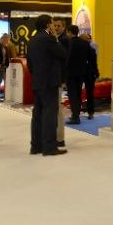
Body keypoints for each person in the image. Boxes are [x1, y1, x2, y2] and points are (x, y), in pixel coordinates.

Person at [27, 14, 68, 156]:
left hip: (37, 81)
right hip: (50, 82)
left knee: (37, 114)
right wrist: (55, 38)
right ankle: (49, 147)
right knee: (50, 114)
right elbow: (63, 54)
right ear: (47, 25)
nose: (53, 26)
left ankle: (36, 146)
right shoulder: (49, 39)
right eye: (52, 23)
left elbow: (30, 64)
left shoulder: (32, 40)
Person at [65, 25, 95, 124]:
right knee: (78, 94)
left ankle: (75, 116)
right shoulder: (85, 43)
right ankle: (76, 115)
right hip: (82, 72)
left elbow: (65, 58)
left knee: (72, 94)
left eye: (67, 32)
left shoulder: (67, 43)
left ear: (69, 32)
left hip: (70, 73)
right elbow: (90, 58)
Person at [53, 17, 70, 145]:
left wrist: (64, 80)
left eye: (58, 26)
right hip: (54, 78)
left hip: (59, 78)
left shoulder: (64, 40)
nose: (56, 28)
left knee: (58, 109)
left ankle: (60, 138)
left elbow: (65, 61)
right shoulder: (54, 39)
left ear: (63, 27)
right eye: (54, 25)